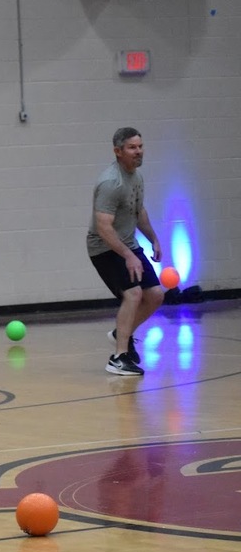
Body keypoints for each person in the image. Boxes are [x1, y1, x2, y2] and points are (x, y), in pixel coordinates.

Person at [87, 126, 164, 376]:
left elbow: (138, 211)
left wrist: (153, 238)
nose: (138, 151)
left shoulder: (136, 177)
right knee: (133, 294)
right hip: (104, 246)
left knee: (155, 294)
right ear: (118, 151)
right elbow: (104, 227)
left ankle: (121, 332)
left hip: (128, 244)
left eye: (140, 146)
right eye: (132, 148)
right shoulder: (111, 182)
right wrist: (129, 256)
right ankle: (118, 358)